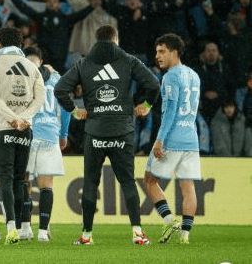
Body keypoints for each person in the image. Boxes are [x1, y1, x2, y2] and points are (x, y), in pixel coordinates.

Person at [55, 25, 160, 246]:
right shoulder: (129, 60)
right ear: (115, 39)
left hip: (95, 132)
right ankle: (138, 234)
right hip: (122, 131)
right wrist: (147, 105)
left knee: (91, 183)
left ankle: (86, 235)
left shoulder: (83, 63)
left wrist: (75, 110)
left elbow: (60, 89)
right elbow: (153, 83)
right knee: (128, 183)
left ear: (97, 39)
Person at [0, 27, 46, 245]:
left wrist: (11, 116)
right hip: (25, 128)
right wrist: (23, 117)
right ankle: (25, 226)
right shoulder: (31, 66)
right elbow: (41, 97)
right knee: (21, 180)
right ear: (20, 44)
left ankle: (11, 228)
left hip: (2, 128)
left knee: (5, 180)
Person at [144, 34, 201, 245]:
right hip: (191, 139)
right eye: (156, 51)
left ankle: (169, 221)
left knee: (149, 180)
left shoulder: (170, 77)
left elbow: (170, 113)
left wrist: (159, 140)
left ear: (174, 52)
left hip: (172, 139)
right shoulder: (195, 75)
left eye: (162, 51)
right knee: (188, 187)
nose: (157, 56)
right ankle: (185, 236)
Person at [19, 46, 71, 242]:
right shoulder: (57, 79)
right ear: (40, 60)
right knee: (46, 186)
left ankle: (25, 228)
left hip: (28, 135)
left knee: (24, 182)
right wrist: (63, 133)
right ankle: (43, 231)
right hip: (50, 134)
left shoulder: (22, 78)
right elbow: (66, 108)